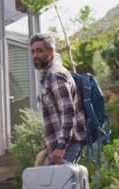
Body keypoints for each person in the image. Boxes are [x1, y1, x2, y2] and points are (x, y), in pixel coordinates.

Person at [30, 33, 87, 165]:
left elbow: (68, 111)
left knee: (61, 185)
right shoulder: (48, 74)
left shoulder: (55, 74)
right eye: (33, 51)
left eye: (39, 50)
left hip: (67, 146)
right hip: (59, 144)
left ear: (51, 51)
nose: (35, 55)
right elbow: (56, 112)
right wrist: (49, 141)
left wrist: (61, 146)